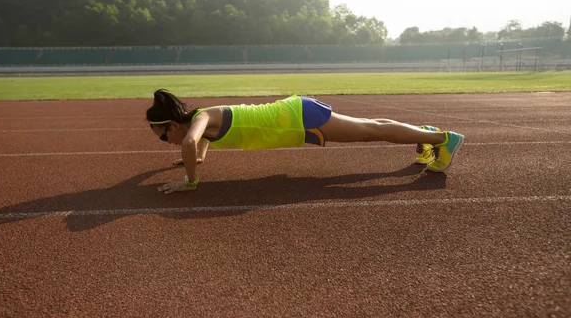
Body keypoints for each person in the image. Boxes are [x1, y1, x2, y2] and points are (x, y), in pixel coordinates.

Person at [147, 89, 464, 194]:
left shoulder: (200, 120)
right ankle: (426, 132)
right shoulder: (202, 119)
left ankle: (442, 138)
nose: (165, 141)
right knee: (373, 127)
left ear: (172, 123)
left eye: (163, 135)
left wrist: (190, 181)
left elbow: (190, 141)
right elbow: (196, 143)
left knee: (373, 130)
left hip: (298, 117)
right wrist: (200, 159)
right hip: (297, 116)